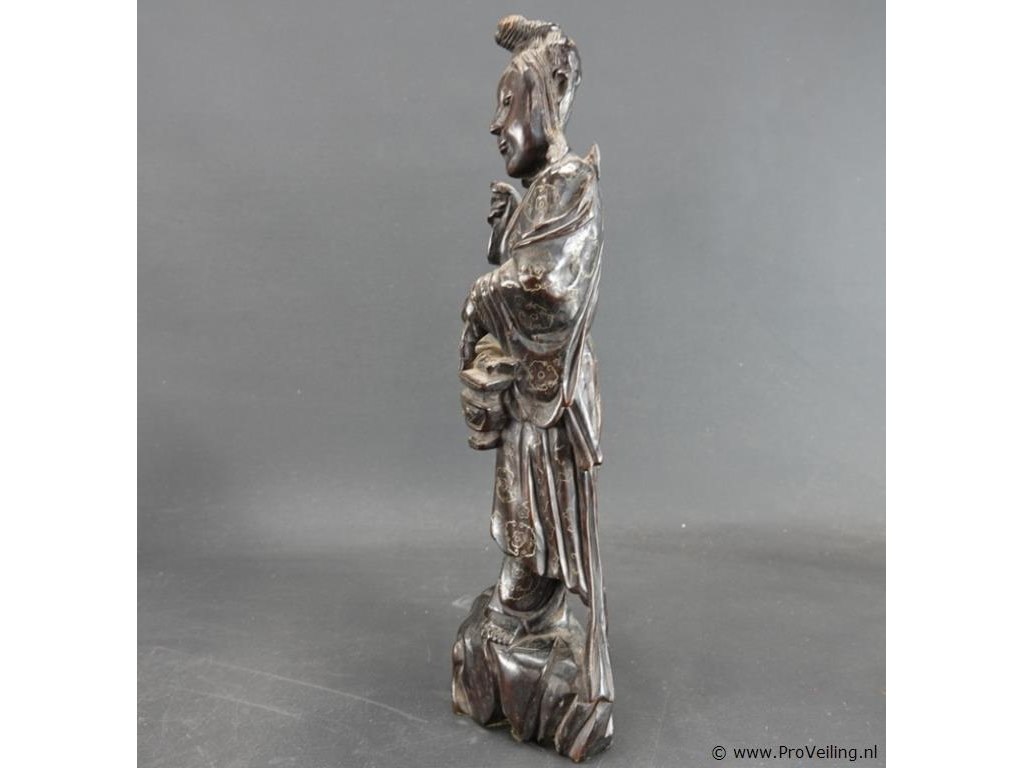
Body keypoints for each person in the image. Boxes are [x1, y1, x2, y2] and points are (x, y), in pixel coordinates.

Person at [454, 16, 613, 756]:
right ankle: (521, 621)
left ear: (543, 104)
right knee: (519, 509)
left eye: (508, 105)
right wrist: (505, 239)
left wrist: (487, 289)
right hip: (527, 402)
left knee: (537, 524)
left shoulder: (574, 184)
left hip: (553, 408)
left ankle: (526, 618)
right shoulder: (545, 193)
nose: (496, 125)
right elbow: (525, 265)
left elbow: (549, 288)